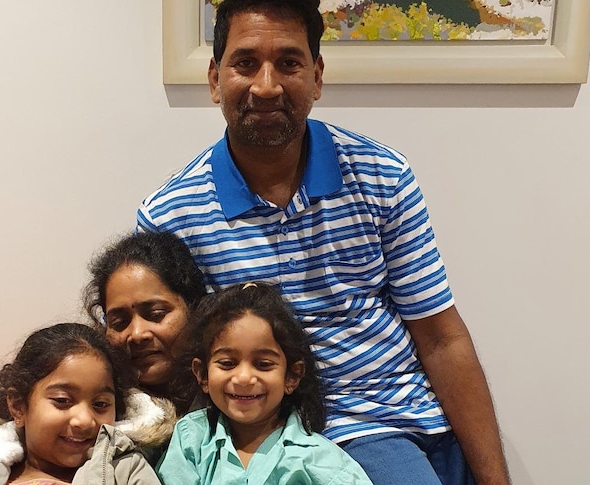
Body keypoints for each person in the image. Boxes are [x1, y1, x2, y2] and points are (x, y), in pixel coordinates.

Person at [136, 1, 511, 483]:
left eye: (288, 63)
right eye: (245, 63)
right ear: (215, 79)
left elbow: (440, 338)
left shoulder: (382, 175)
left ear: (316, 76)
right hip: (268, 432)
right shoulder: (169, 216)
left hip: (396, 420)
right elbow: (166, 358)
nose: (266, 86)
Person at [156, 283, 372, 484]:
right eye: (227, 363)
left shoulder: (320, 459)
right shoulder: (191, 438)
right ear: (202, 374)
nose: (243, 378)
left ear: (291, 377)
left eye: (263, 364)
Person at [0, 323, 161, 485]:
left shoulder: (126, 470)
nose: (84, 420)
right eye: (63, 401)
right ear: (18, 406)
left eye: (101, 404)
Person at [84, 231, 208, 418]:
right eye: (119, 322)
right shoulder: (93, 413)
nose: (137, 334)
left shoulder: (235, 401)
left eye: (155, 314)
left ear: (194, 309)